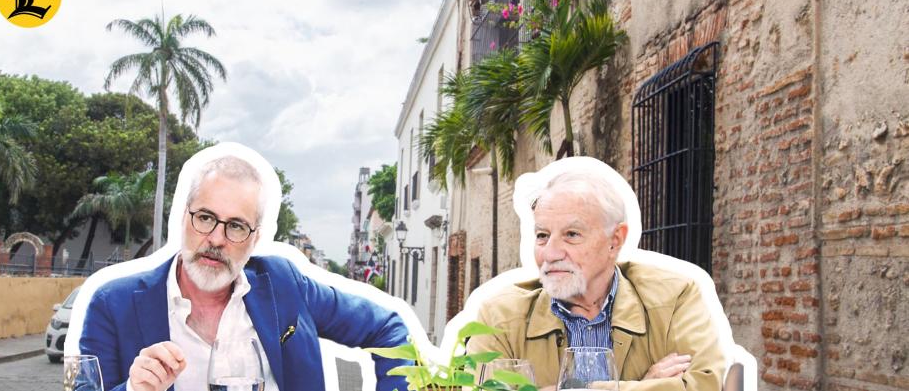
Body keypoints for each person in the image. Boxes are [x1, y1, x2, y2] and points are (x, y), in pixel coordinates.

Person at [80, 154, 410, 391]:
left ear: (254, 238)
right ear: (183, 217)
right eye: (206, 217)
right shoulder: (113, 304)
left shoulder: (284, 285)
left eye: (236, 226)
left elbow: (388, 328)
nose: (217, 239)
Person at [466, 171, 725, 390]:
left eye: (572, 234)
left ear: (615, 241)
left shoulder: (675, 297)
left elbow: (706, 383)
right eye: (542, 235)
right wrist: (643, 384)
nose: (551, 253)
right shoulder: (497, 317)